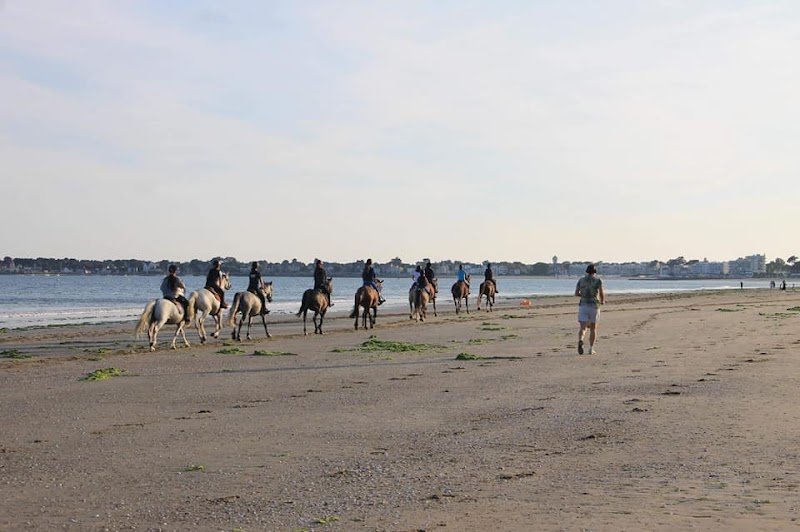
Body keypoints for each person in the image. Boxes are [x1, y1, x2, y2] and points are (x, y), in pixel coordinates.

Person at [575, 264, 605, 355]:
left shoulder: (581, 280)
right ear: (595, 272)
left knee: (583, 327)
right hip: (594, 306)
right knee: (593, 328)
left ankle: (580, 340)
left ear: (586, 271)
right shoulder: (598, 280)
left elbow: (576, 293)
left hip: (583, 305)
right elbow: (601, 293)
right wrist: (602, 301)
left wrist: (583, 295)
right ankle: (591, 348)